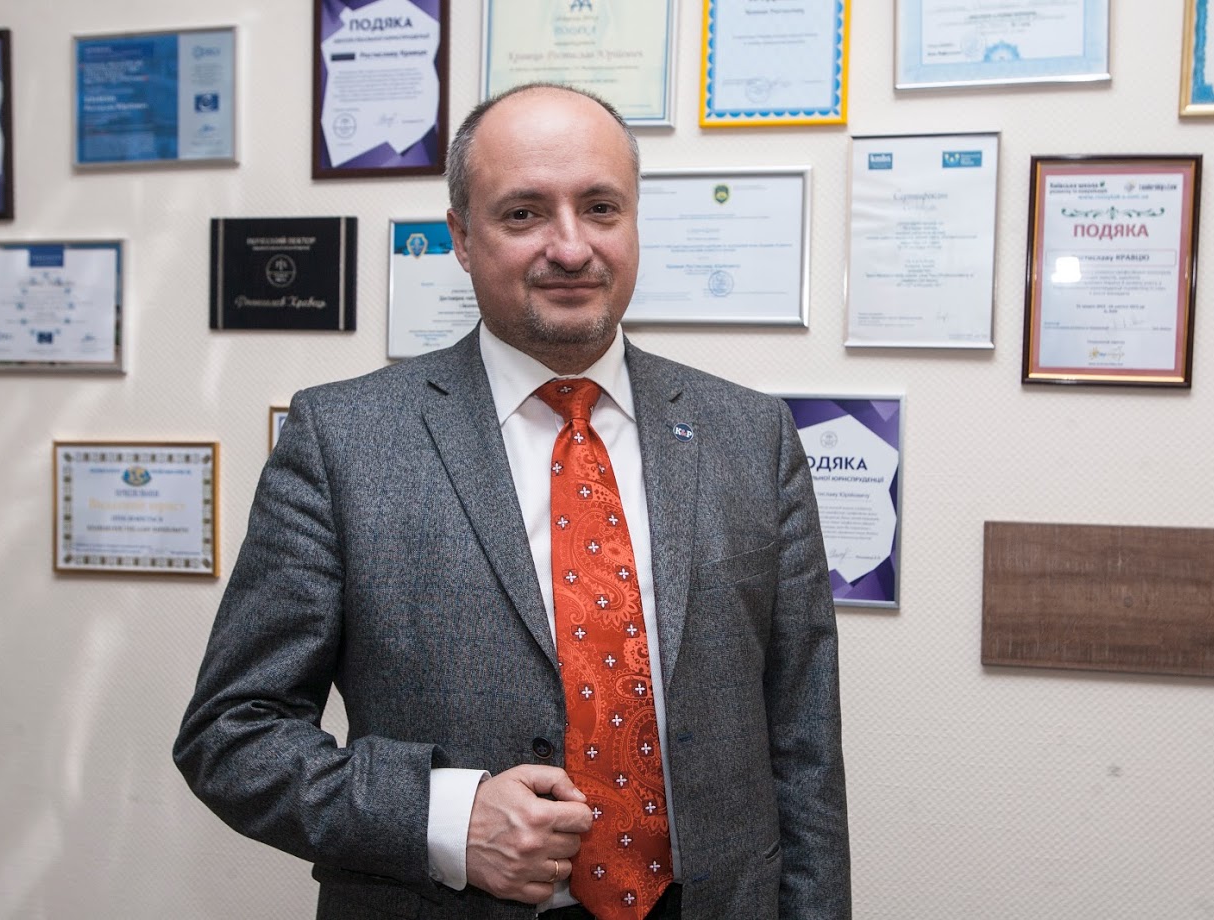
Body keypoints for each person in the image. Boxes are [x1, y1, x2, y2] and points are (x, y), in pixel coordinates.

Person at [174, 82, 850, 920]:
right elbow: (232, 734)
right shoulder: (342, 442)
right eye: (524, 213)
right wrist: (444, 819)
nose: (571, 247)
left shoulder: (751, 434)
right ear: (461, 237)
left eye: (600, 208)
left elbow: (804, 743)